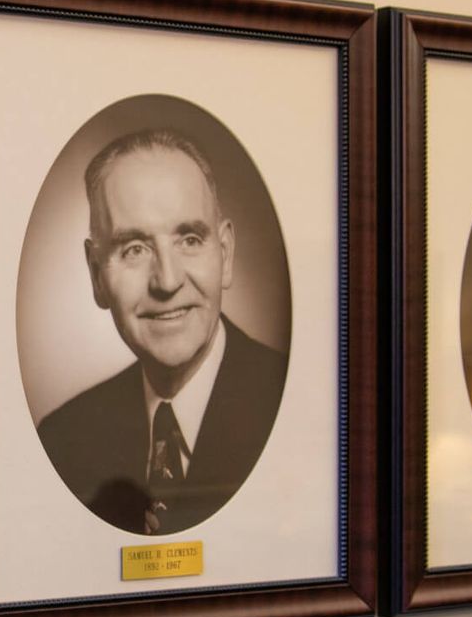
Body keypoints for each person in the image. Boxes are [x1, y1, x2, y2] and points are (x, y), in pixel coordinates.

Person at [36, 128, 286, 536]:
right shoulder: (63, 439)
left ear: (224, 254)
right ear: (96, 274)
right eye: (134, 248)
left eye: (189, 239)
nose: (167, 281)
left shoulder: (300, 409)